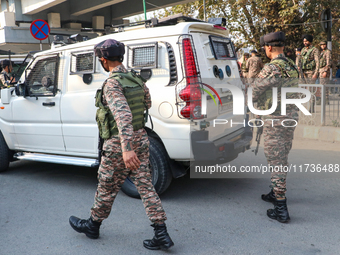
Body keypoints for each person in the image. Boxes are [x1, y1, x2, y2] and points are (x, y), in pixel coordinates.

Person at [69, 39, 174, 251]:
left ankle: (92, 225)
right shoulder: (135, 78)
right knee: (145, 185)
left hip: (120, 144)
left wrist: (126, 149)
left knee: (107, 184)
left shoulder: (113, 83)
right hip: (141, 137)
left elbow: (123, 116)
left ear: (104, 60)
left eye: (100, 59)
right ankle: (161, 233)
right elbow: (147, 102)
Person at [251, 31, 299, 223]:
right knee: (282, 156)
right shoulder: (292, 66)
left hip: (276, 119)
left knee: (275, 160)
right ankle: (274, 192)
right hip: (290, 118)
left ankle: (281, 207)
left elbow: (254, 92)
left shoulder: (271, 68)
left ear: (269, 48)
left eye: (265, 48)